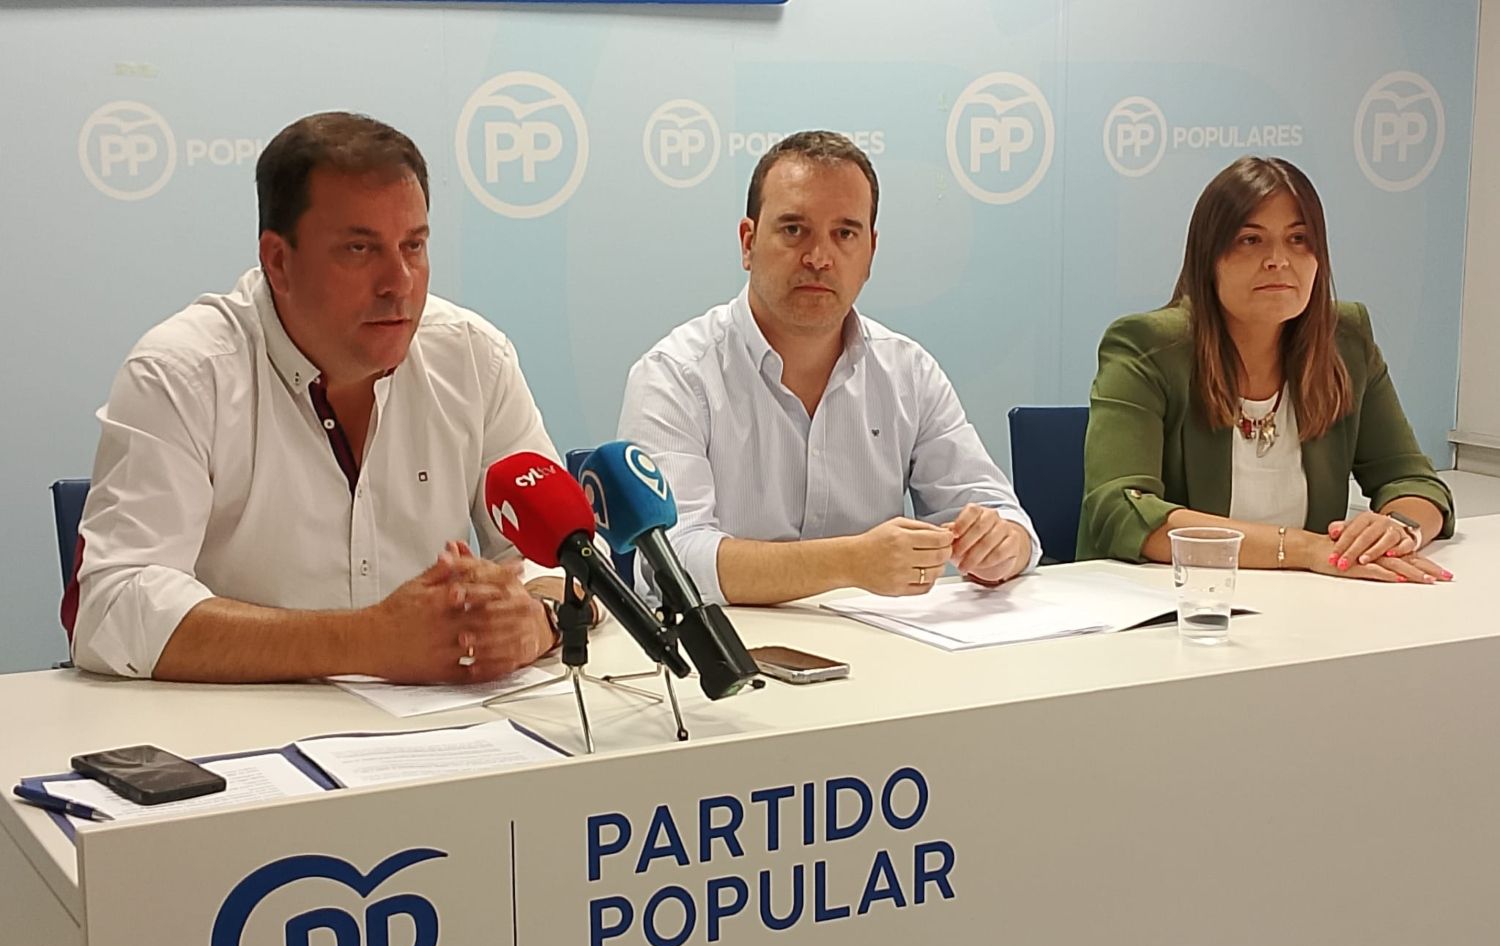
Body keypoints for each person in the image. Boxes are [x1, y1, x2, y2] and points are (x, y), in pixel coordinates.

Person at [68, 111, 572, 683]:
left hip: (449, 733)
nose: (399, 282)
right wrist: (369, 641)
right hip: (240, 744)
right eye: (360, 250)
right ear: (279, 261)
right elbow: (114, 607)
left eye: (413, 246)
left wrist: (538, 618)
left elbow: (568, 558)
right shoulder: (181, 373)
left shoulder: (474, 358)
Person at [617, 130, 1038, 607]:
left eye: (844, 234)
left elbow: (1003, 515)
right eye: (794, 229)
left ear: (870, 253)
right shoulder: (674, 375)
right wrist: (851, 563)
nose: (819, 257)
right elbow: (671, 562)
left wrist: (1002, 544)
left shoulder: (908, 371)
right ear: (748, 242)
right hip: (722, 661)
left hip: (885, 655)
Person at [1078, 156, 1454, 582]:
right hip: (1172, 605)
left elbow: (1413, 480)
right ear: (1209, 258)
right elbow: (1122, 512)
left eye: (1298, 239)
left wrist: (1397, 527)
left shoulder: (1345, 342)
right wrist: (1304, 548)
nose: (1278, 260)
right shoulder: (1147, 347)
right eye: (1250, 240)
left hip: (1308, 605)